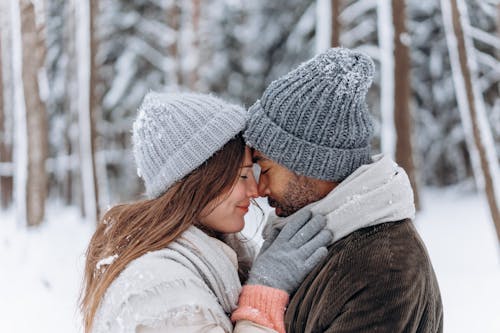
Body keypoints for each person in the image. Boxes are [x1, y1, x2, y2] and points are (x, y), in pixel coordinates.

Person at [80, 92, 332, 333]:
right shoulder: (164, 292)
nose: (255, 190)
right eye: (242, 175)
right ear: (199, 181)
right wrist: (264, 293)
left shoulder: (209, 263)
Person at [244, 48, 443, 332]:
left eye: (265, 168)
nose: (260, 188)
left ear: (308, 162)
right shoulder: (320, 242)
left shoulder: (383, 268)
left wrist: (261, 297)